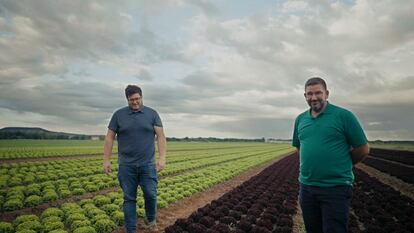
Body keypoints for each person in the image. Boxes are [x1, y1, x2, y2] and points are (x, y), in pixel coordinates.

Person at [292, 77, 369, 233]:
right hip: (307, 187)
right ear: (305, 96)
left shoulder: (343, 116)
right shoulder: (300, 119)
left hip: (335, 188)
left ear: (326, 93)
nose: (314, 97)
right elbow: (299, 147)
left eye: (318, 93)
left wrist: (344, 164)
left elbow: (363, 148)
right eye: (309, 94)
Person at [103, 85, 167, 233]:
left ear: (142, 97)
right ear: (127, 99)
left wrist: (162, 157)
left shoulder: (152, 114)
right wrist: (106, 160)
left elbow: (161, 136)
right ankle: (131, 229)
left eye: (137, 99)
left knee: (151, 195)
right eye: (132, 100)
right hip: (126, 166)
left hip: (148, 165)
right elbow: (109, 138)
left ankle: (151, 220)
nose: (135, 102)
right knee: (129, 198)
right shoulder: (119, 115)